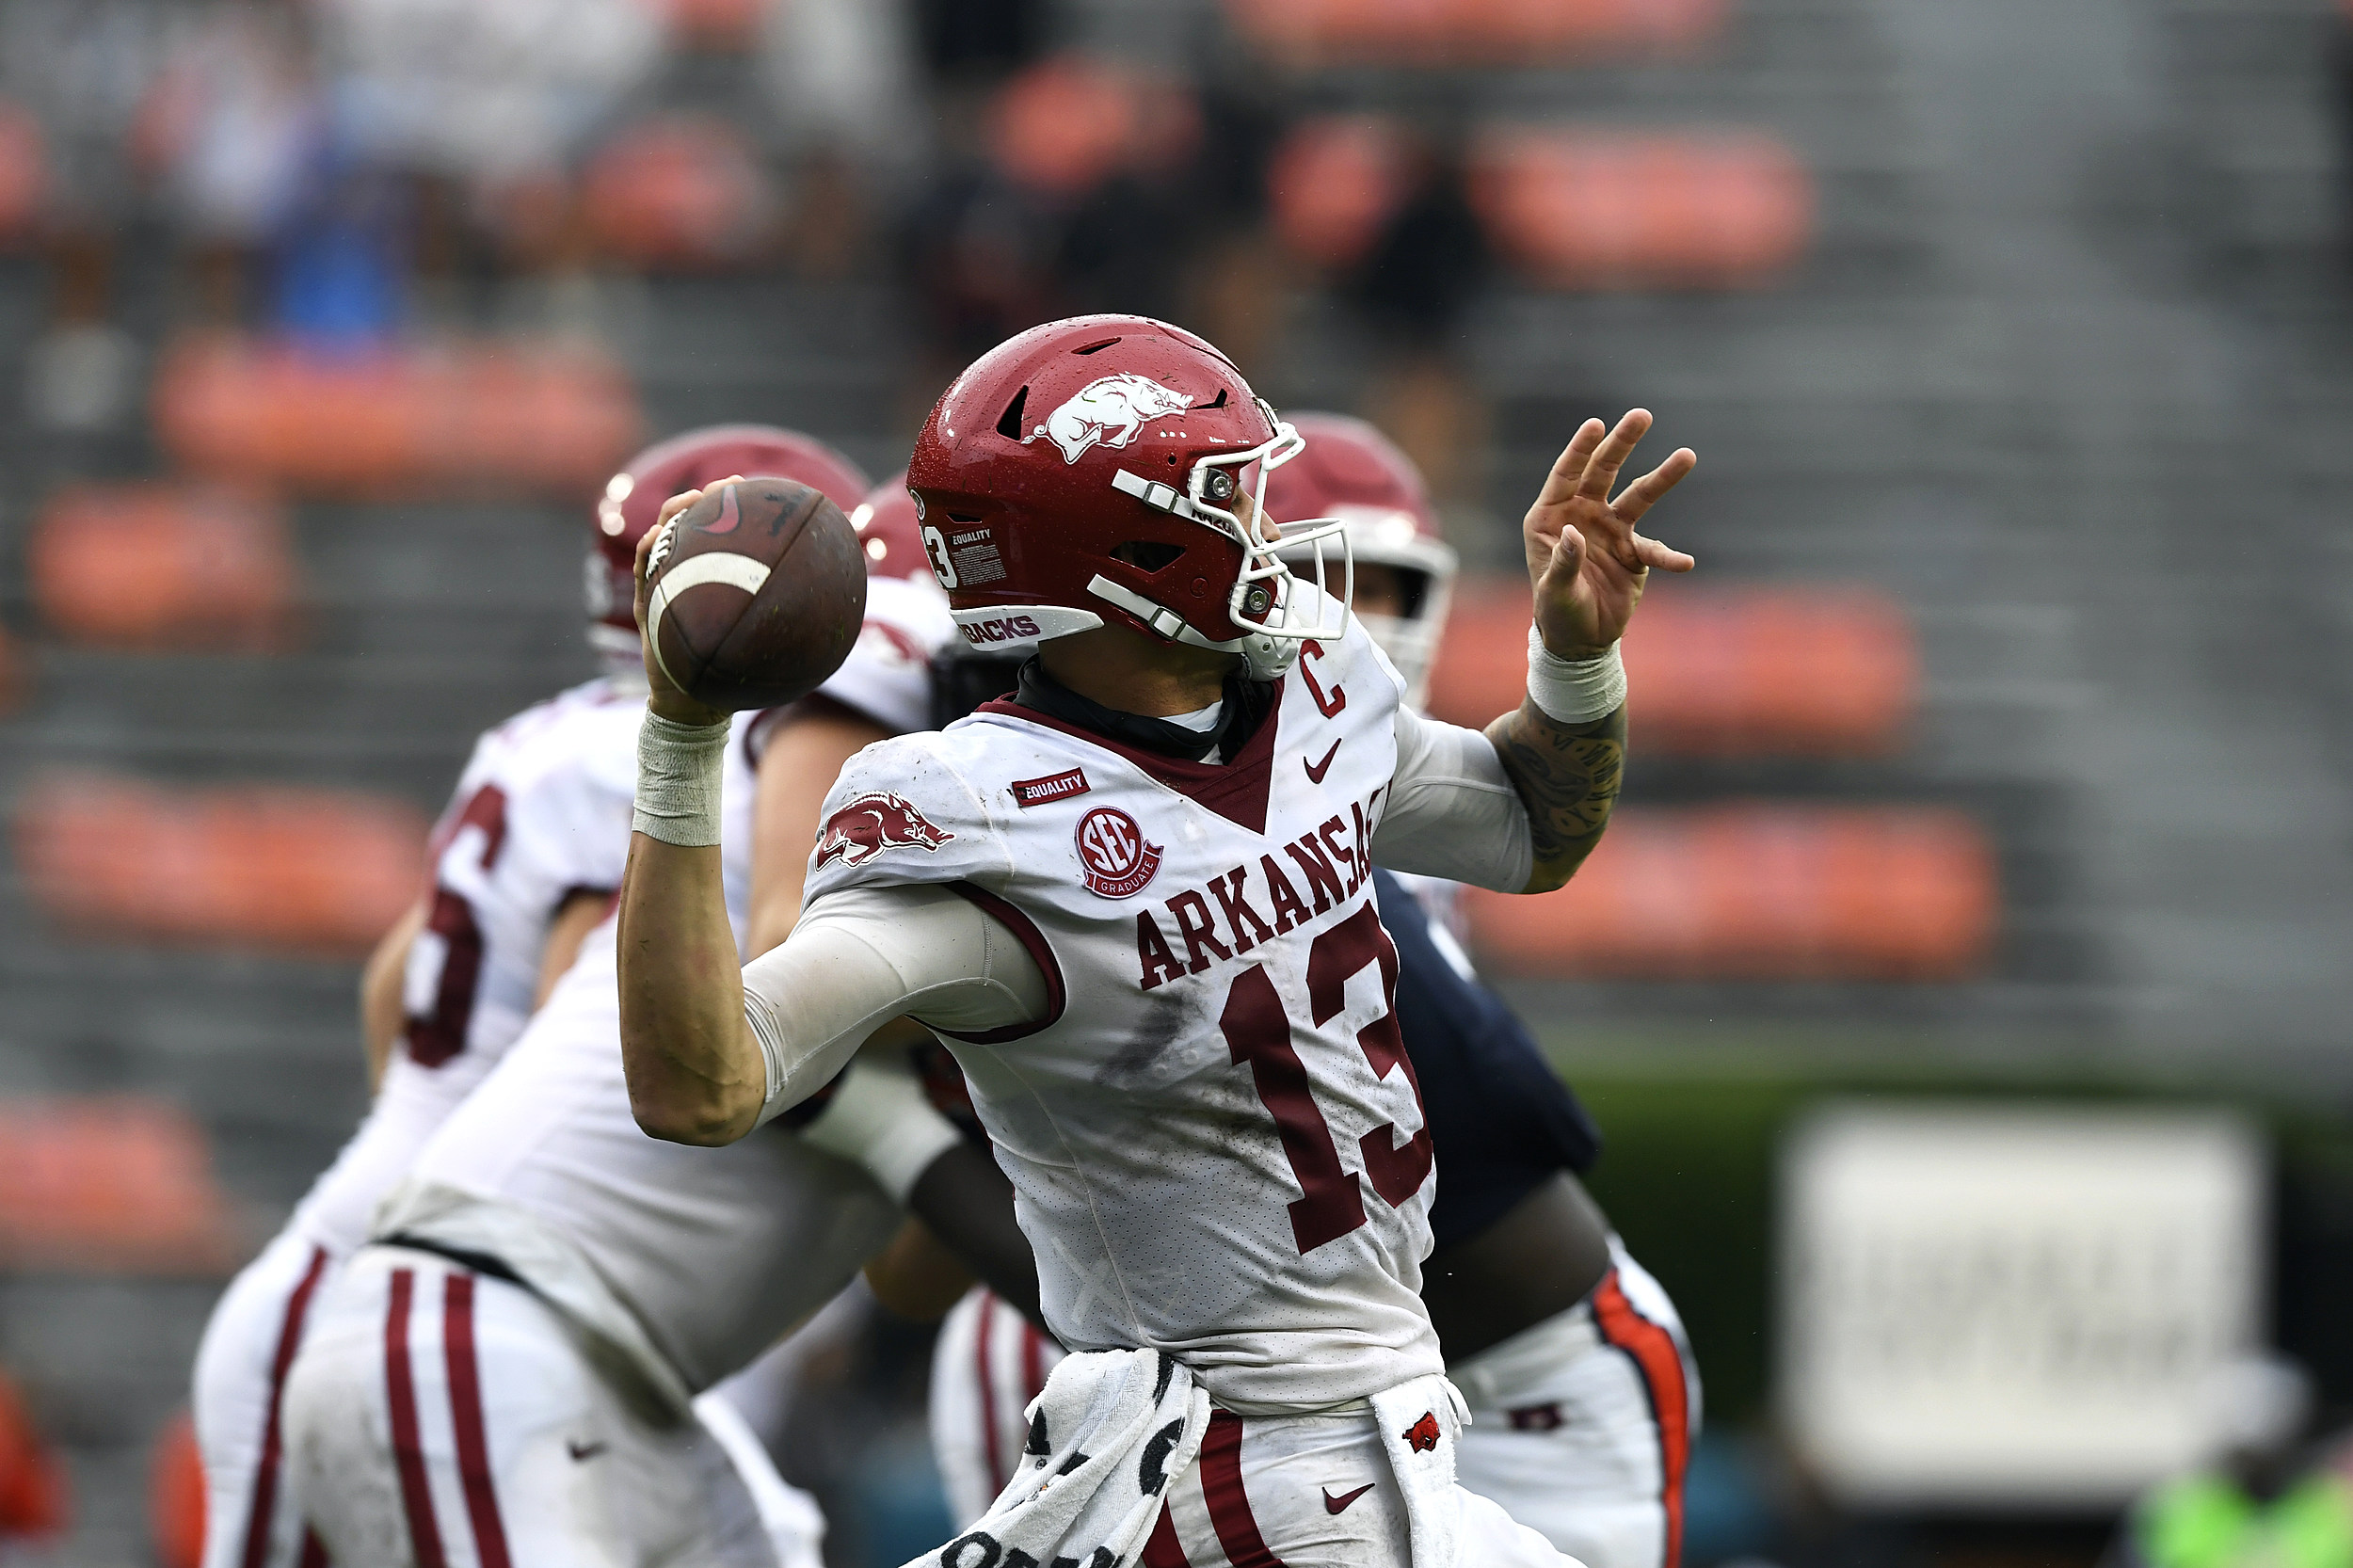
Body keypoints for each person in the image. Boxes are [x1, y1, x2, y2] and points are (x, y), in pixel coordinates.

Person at [616, 312, 1696, 1568]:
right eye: (1225, 496)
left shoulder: (1313, 689)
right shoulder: (978, 811)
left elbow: (1529, 830)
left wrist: (1574, 657)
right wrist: (683, 745)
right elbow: (704, 1083)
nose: (1264, 523)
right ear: (1130, 549)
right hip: (1261, 1456)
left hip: (1320, 1433)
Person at [925, 413, 1701, 1568]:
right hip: (1292, 1405)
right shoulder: (1035, 808)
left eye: (1393, 584)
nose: (1358, 616)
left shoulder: (1339, 806)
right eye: (1325, 571)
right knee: (1009, 1340)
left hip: (1506, 1379)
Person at [278, 458, 1040, 1568]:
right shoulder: (904, 668)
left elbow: (910, 1275)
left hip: (620, 1385)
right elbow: (787, 951)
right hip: (492, 1324)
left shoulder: (972, 897)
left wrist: (925, 1120)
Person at [189, 423, 870, 1568]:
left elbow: (396, 976)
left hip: (388, 1276)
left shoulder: (544, 740)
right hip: (443, 1307)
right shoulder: (658, 755)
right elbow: (591, 992)